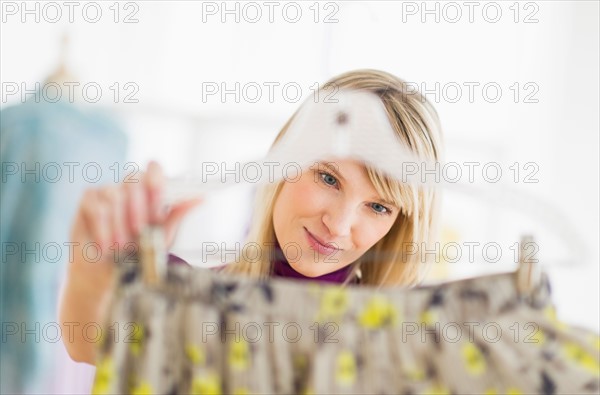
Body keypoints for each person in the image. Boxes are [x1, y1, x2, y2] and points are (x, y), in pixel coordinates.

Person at [58, 69, 444, 365]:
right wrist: (93, 262)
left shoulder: (408, 343)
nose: (339, 225)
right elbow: (89, 342)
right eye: (328, 178)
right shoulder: (191, 301)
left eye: (379, 207)